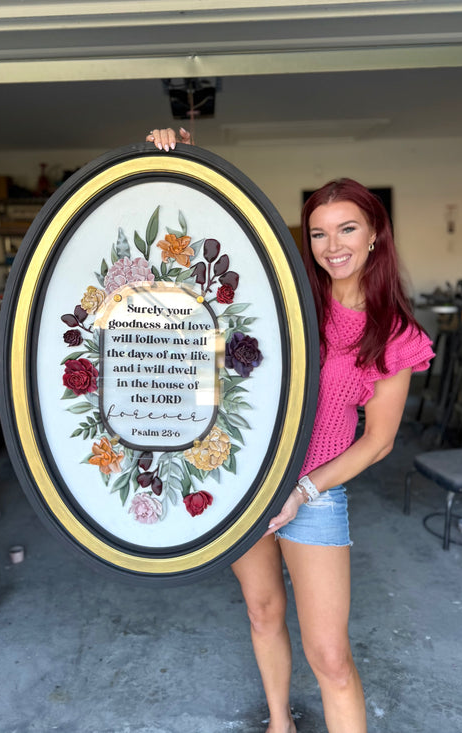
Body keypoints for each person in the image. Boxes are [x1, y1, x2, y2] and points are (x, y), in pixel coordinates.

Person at [147, 127, 434, 733]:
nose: (333, 246)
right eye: (319, 233)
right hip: (247, 481)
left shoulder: (394, 334)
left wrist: (302, 491)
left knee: (330, 656)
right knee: (262, 610)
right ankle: (280, 721)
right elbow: (207, 257)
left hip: (314, 493)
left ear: (375, 233)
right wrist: (183, 164)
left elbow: (378, 441)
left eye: (347, 229)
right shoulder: (285, 296)